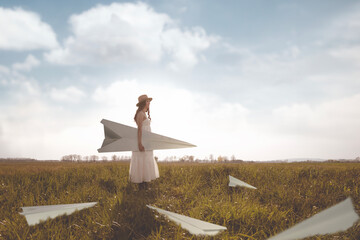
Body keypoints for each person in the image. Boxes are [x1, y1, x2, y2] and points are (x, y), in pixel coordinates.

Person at [129, 94, 159, 186]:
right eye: (147, 101)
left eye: (149, 101)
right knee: (142, 160)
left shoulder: (144, 113)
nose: (149, 103)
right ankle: (141, 184)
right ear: (143, 103)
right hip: (142, 141)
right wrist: (139, 144)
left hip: (147, 141)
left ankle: (145, 183)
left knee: (146, 160)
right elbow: (139, 130)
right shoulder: (140, 114)